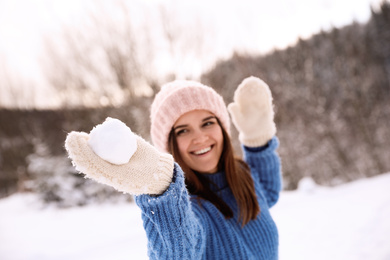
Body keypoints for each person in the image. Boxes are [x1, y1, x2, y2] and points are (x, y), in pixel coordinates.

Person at [65, 76, 282, 260]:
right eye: (183, 131)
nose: (200, 138)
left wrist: (258, 141)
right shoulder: (188, 206)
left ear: (222, 128)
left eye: (207, 123)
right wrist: (162, 189)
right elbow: (180, 253)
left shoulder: (243, 175)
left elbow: (268, 193)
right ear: (169, 146)